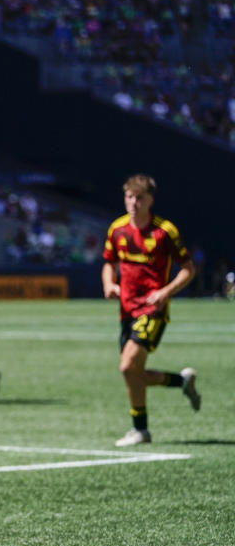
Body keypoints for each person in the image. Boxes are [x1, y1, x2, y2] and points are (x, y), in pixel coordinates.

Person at [101, 174, 200, 447]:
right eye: (129, 197)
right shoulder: (117, 230)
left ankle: (141, 431)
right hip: (126, 310)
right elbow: (108, 262)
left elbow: (189, 269)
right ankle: (180, 382)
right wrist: (109, 283)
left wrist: (164, 292)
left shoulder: (164, 231)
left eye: (139, 197)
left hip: (152, 310)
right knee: (134, 374)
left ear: (150, 200)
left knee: (126, 366)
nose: (133, 202)